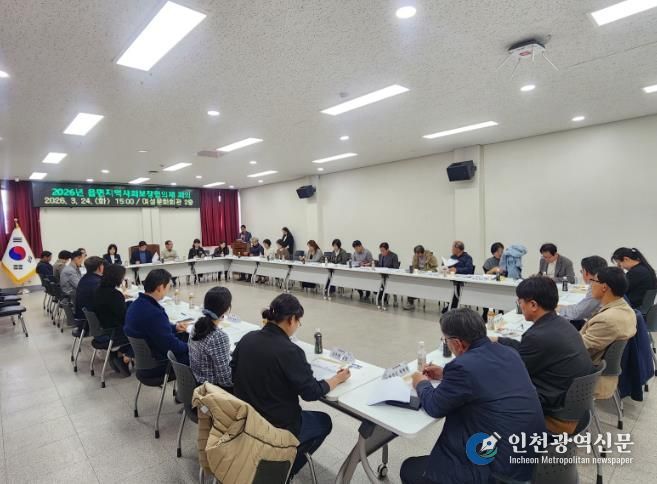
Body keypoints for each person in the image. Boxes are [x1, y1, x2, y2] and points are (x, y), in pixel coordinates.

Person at [402, 308, 545, 484]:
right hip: (528, 459)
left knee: (409, 468)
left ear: (457, 343)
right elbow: (486, 377)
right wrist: (445, 374)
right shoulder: (509, 353)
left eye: (445, 340)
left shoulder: (462, 367)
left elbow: (434, 406)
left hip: (495, 470)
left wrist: (420, 382)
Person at [231, 294, 351, 478]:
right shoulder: (290, 351)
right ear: (291, 319)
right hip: (277, 427)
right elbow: (311, 392)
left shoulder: (248, 338)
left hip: (246, 420)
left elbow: (233, 370)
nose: (297, 326)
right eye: (298, 322)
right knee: (323, 421)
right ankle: (283, 472)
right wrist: (337, 379)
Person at [495, 276, 593, 434]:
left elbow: (516, 372)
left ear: (533, 305)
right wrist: (499, 340)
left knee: (493, 386)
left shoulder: (537, 336)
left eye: (520, 301)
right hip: (572, 400)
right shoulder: (561, 323)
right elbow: (527, 351)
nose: (520, 305)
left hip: (556, 407)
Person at [580, 267, 637, 398]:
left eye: (593, 281)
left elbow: (580, 349)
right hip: (599, 364)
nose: (590, 284)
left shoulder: (607, 319)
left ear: (604, 287)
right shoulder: (624, 307)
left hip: (588, 372)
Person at [124, 269, 189, 378]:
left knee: (183, 336)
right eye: (168, 287)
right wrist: (191, 347)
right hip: (158, 364)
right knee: (198, 353)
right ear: (160, 288)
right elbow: (171, 345)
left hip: (144, 361)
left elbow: (155, 328)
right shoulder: (154, 313)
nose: (168, 290)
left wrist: (175, 327)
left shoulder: (135, 304)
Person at [189, 287, 233, 389]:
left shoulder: (197, 325)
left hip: (196, 381)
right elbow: (225, 381)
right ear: (227, 309)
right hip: (211, 390)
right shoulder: (218, 336)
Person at [93, 264, 132, 377]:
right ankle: (125, 358)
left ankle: (117, 354)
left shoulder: (97, 290)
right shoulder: (115, 295)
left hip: (104, 328)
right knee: (143, 329)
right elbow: (124, 318)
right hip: (115, 332)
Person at [558, 256, 608, 326]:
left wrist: (560, 309)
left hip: (597, 325)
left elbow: (579, 313)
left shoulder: (597, 286)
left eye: (582, 271)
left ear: (586, 273)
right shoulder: (604, 282)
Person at [404, 245, 438, 310]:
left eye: (418, 253)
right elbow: (414, 266)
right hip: (418, 276)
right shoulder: (415, 257)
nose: (417, 255)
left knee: (418, 287)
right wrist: (414, 270)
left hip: (428, 277)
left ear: (423, 252)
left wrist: (428, 271)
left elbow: (435, 268)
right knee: (411, 285)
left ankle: (412, 300)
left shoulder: (431, 257)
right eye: (416, 253)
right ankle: (410, 303)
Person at [74, 256, 105, 320]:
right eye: (102, 265)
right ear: (99, 267)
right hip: (92, 318)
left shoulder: (84, 278)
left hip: (83, 314)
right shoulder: (97, 282)